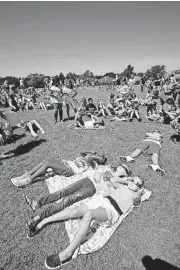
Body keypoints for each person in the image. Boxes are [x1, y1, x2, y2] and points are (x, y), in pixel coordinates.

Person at [27, 175, 144, 269]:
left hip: (112, 210)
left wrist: (139, 191)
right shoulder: (121, 186)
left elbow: (137, 201)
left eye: (137, 183)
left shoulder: (135, 194)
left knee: (89, 214)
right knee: (73, 211)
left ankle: (67, 253)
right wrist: (125, 179)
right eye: (133, 180)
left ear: (140, 187)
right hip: (102, 201)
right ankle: (41, 223)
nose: (133, 183)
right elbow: (112, 179)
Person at [24, 164, 131, 230]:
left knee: (67, 200)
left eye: (124, 169)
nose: (121, 167)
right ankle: (37, 204)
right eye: (122, 166)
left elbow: (109, 192)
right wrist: (97, 174)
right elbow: (96, 171)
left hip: (91, 189)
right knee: (63, 192)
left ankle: (39, 217)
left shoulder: (118, 184)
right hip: (87, 180)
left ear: (124, 174)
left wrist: (106, 182)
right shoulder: (108, 168)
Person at [11, 151, 107, 187]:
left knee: (48, 164)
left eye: (99, 156)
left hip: (70, 170)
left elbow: (90, 159)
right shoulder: (88, 156)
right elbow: (82, 153)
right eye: (98, 154)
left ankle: (29, 180)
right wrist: (91, 152)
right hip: (67, 164)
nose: (97, 155)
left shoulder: (94, 164)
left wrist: (96, 158)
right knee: (47, 160)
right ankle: (27, 174)